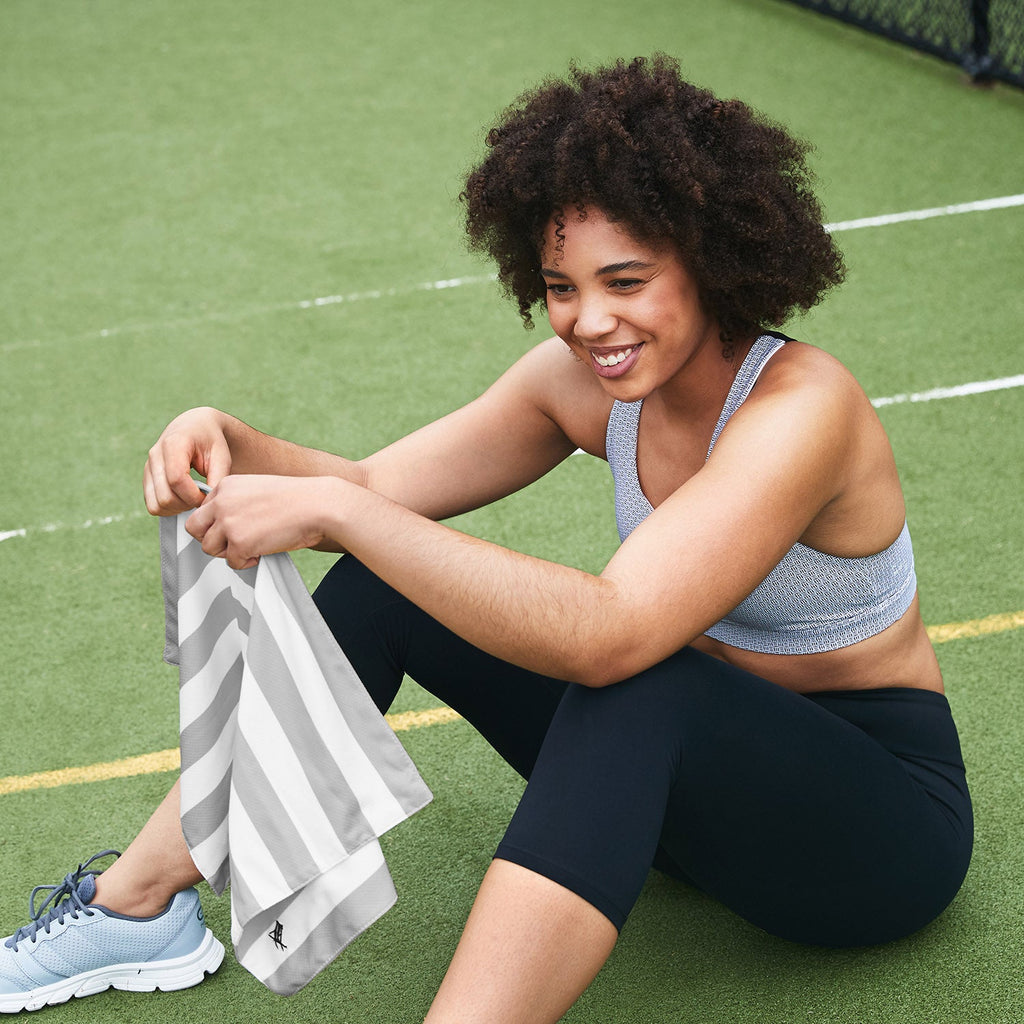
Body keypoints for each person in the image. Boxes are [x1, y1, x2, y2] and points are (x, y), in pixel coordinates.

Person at [0, 55, 971, 1022]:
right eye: (561, 287)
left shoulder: (804, 410)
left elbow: (613, 631)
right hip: (690, 810)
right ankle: (137, 906)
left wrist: (346, 518)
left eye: (625, 280)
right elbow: (376, 485)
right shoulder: (583, 384)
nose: (591, 321)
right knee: (392, 585)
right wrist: (233, 440)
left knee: (639, 677)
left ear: (710, 259)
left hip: (874, 834)